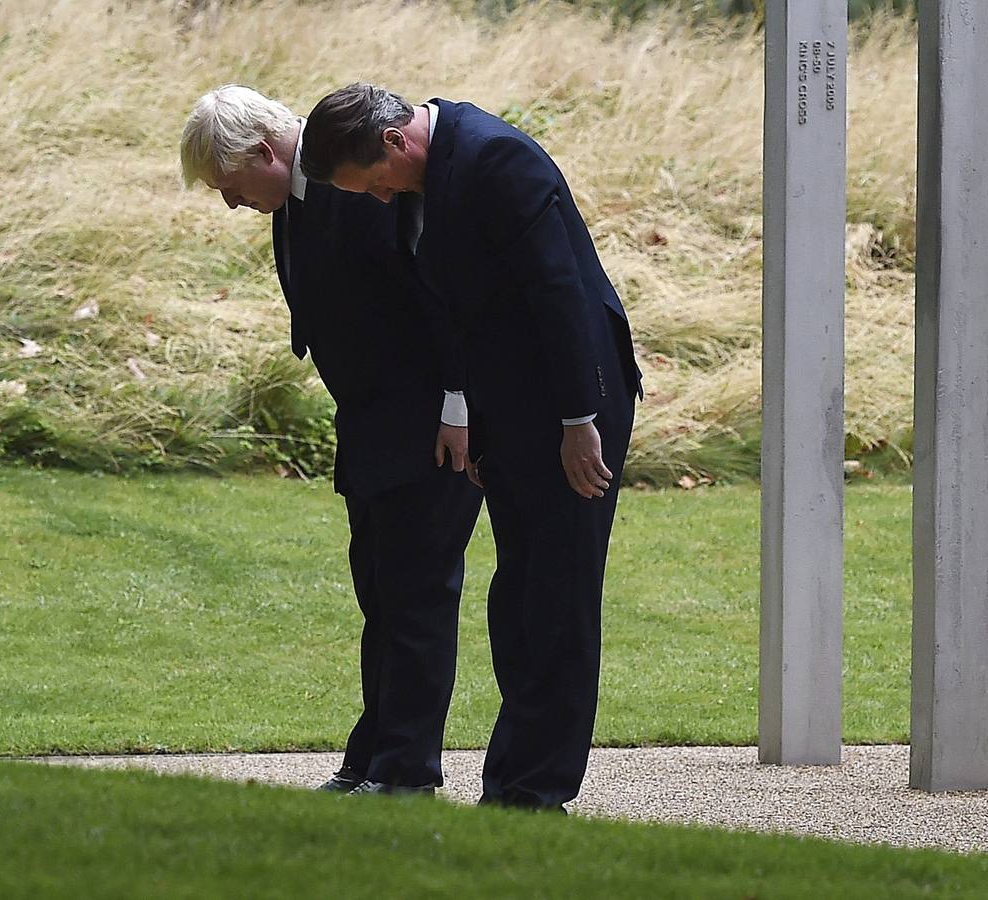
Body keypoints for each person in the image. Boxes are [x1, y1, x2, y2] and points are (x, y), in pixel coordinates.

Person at [299, 83, 643, 812]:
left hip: (573, 403)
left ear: (394, 143)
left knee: (556, 594)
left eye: (375, 184)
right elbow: (457, 312)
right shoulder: (422, 177)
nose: (382, 200)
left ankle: (535, 789)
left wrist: (578, 422)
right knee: (517, 597)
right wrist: (480, 427)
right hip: (512, 408)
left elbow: (560, 294)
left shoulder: (496, 160)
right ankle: (512, 783)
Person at [179, 85, 483, 796]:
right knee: (381, 590)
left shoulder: (360, 185)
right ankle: (374, 755)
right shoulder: (299, 198)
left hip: (427, 418)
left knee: (415, 595)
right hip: (371, 418)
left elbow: (437, 292)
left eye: (231, 186)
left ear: (263, 150)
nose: (231, 204)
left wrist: (459, 402)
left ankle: (405, 770)